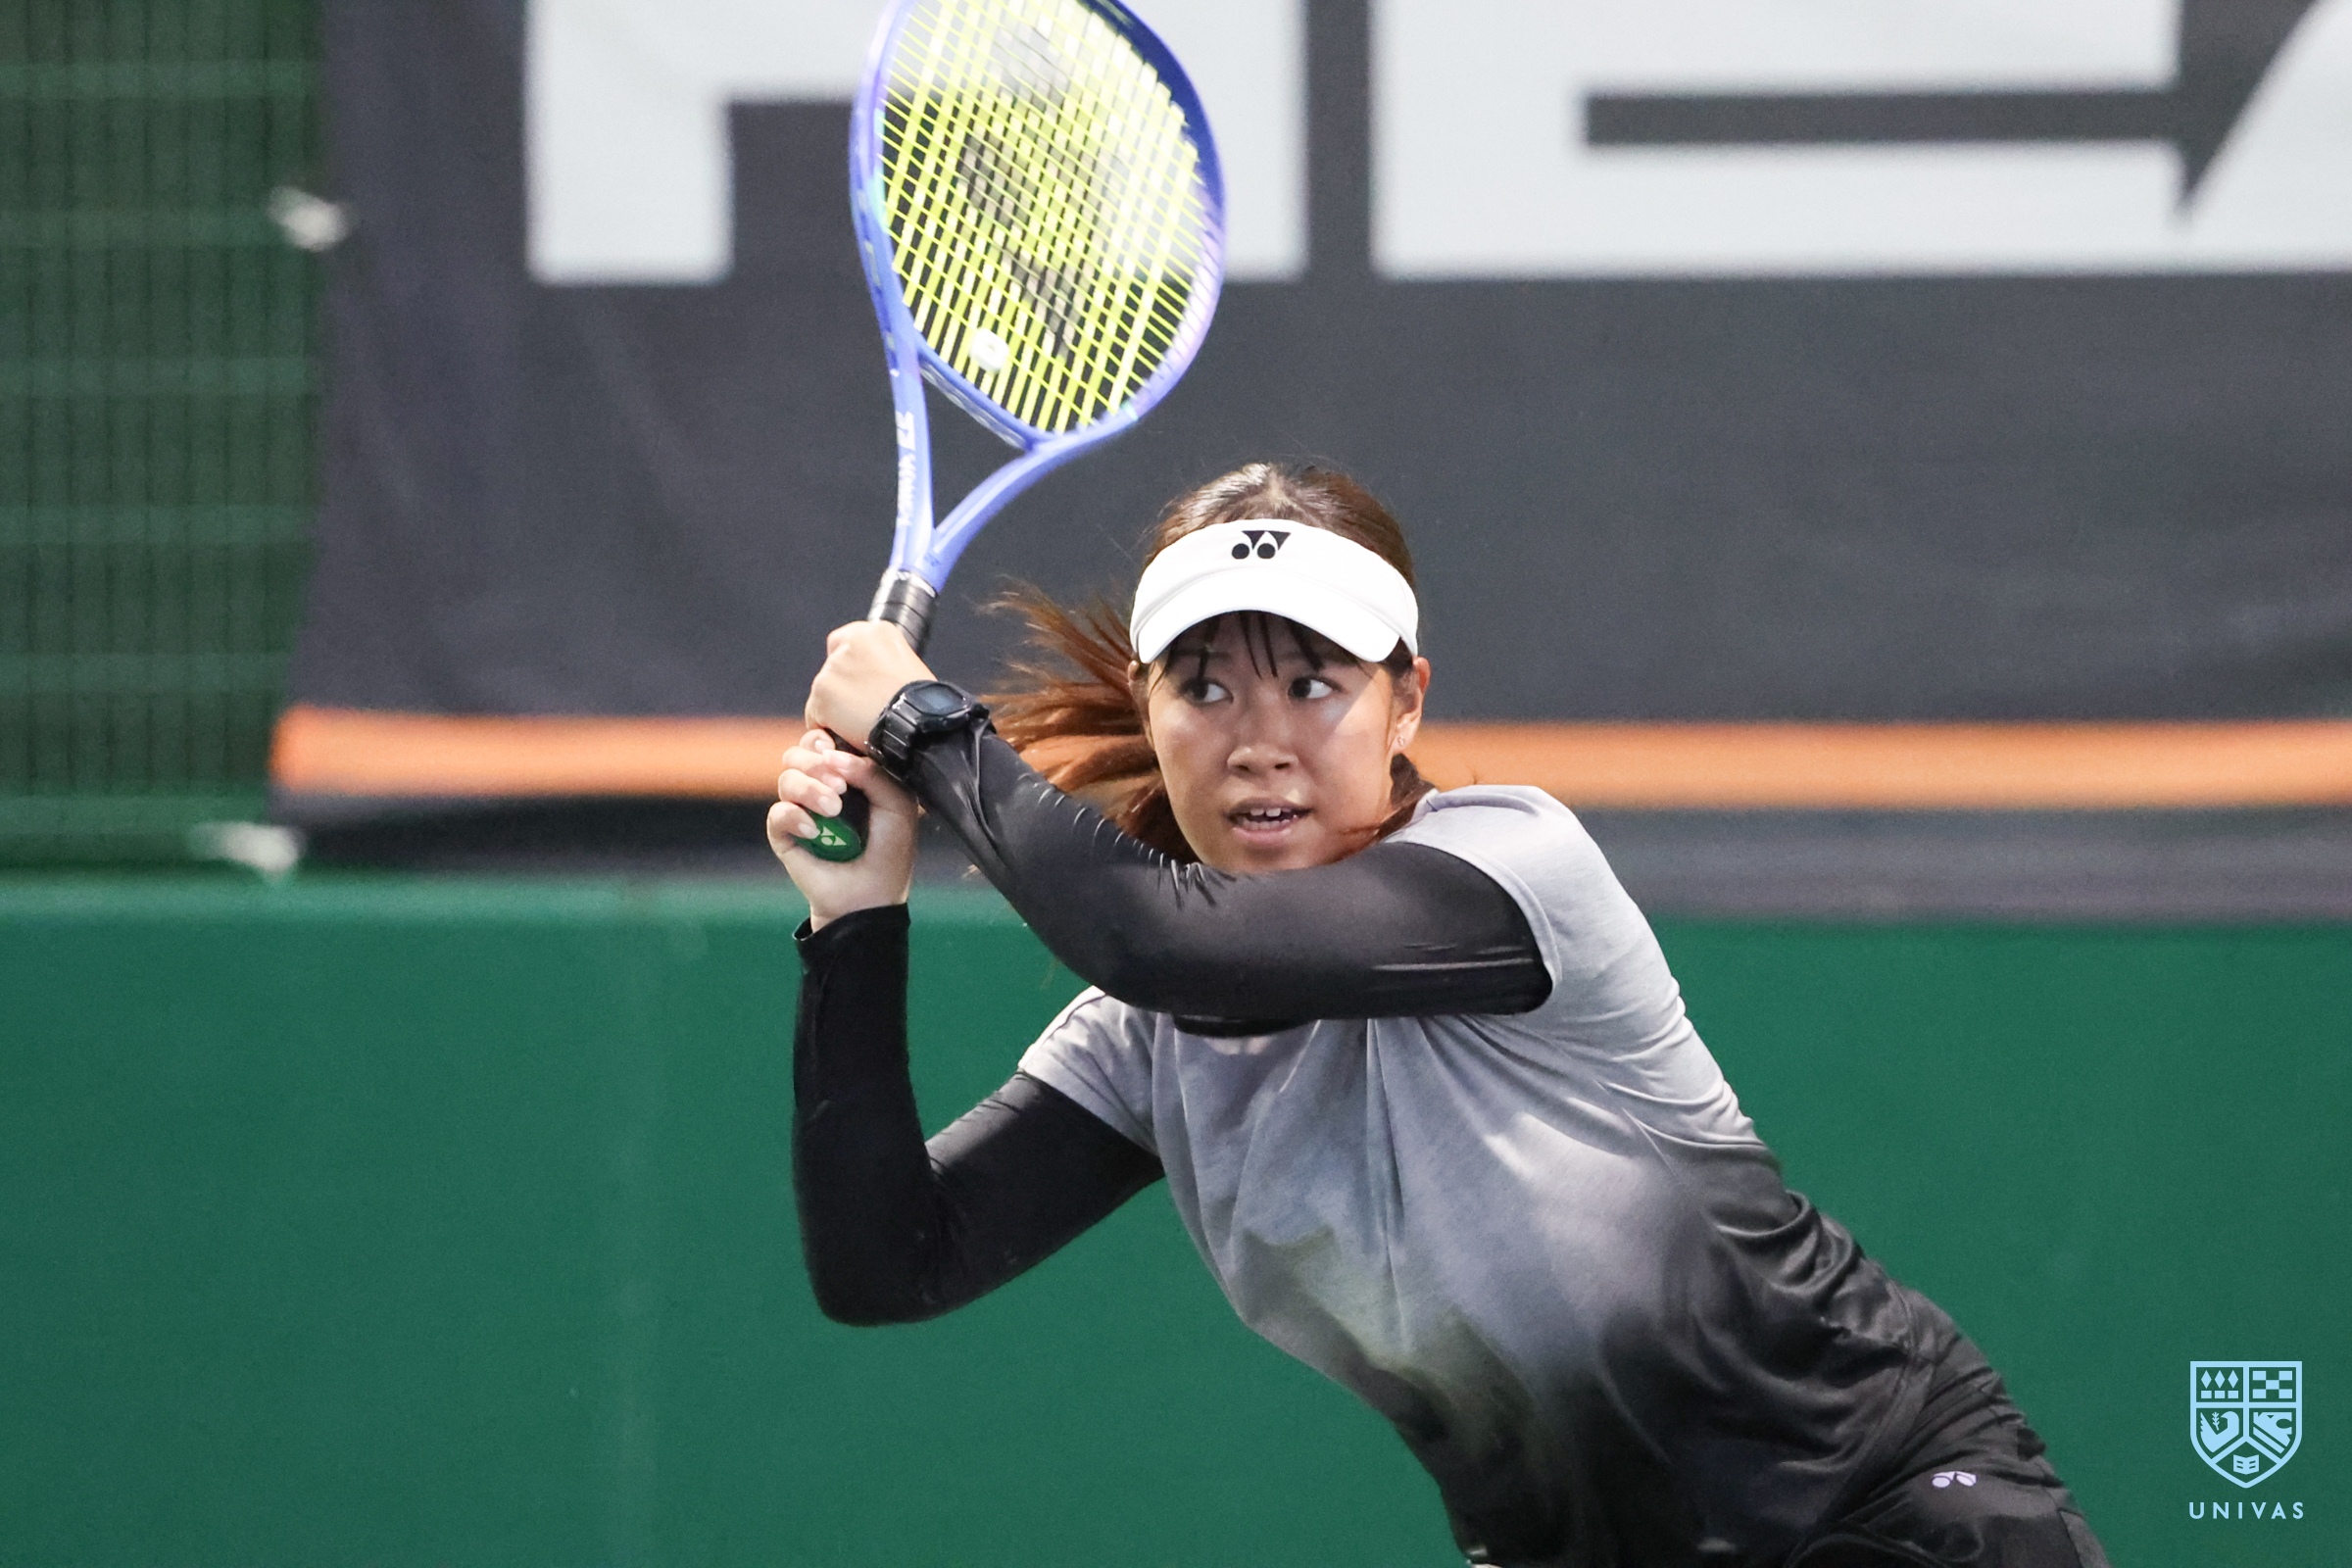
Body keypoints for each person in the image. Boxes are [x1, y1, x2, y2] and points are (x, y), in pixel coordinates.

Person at [767, 463, 2109, 1568]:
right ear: (1148, 707)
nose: (1258, 740)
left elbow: (1170, 943)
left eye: (1313, 683)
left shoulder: (1513, 867)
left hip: (1876, 1513)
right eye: (1205, 686)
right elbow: (891, 1261)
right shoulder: (1144, 1039)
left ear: (1407, 700)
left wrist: (927, 727)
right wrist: (854, 920)